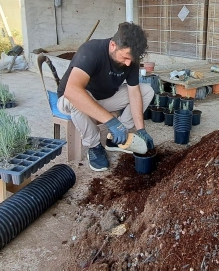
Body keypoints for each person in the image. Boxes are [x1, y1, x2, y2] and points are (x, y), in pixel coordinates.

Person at [57, 22, 155, 171]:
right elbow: (72, 91)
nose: (129, 63)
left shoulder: (131, 59)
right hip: (71, 99)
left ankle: (117, 139)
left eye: (132, 59)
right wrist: (111, 121)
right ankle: (94, 146)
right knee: (75, 98)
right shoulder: (91, 51)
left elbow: (134, 93)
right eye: (125, 57)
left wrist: (141, 129)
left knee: (147, 90)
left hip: (106, 98)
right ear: (113, 45)